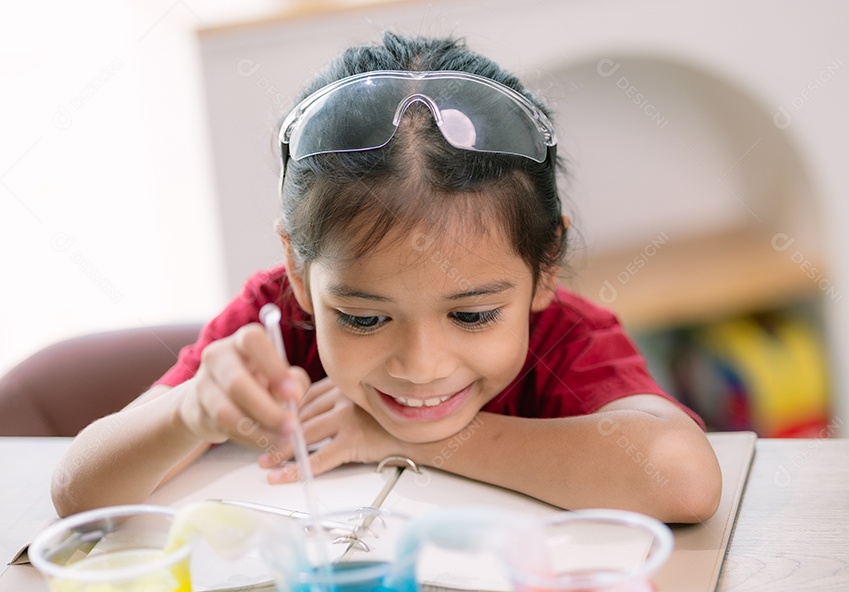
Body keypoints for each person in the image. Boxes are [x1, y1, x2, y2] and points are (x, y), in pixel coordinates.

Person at [52, 32, 722, 523]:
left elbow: (680, 479)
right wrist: (190, 409)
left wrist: (397, 437)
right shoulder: (275, 317)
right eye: (365, 318)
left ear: (546, 264)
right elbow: (79, 490)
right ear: (298, 271)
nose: (421, 366)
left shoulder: (565, 338)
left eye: (472, 315)